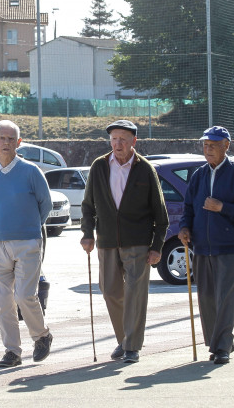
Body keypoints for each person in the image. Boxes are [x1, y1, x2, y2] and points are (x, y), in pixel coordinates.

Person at [79, 119, 168, 364]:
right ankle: (124, 339)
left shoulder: (145, 169)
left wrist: (156, 246)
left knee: (136, 294)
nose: (118, 144)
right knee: (110, 291)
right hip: (107, 241)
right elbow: (88, 206)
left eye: (123, 140)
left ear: (133, 142)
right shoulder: (99, 166)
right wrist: (87, 233)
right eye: (114, 139)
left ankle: (132, 346)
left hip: (138, 242)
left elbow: (160, 214)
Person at [178, 126, 234, 365]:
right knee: (206, 298)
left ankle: (222, 346)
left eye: (213, 144)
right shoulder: (199, 175)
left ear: (227, 146)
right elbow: (189, 208)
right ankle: (218, 342)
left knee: (225, 298)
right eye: (205, 145)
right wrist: (185, 228)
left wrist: (223, 207)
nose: (208, 149)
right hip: (202, 246)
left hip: (229, 246)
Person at [0, 120, 53, 368]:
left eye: (12, 139)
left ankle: (41, 336)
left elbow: (46, 205)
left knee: (24, 295)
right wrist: (3, 226)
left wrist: (28, 227)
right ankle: (12, 351)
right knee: (2, 302)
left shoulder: (31, 171)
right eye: (3, 138)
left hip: (28, 243)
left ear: (19, 143)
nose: (7, 143)